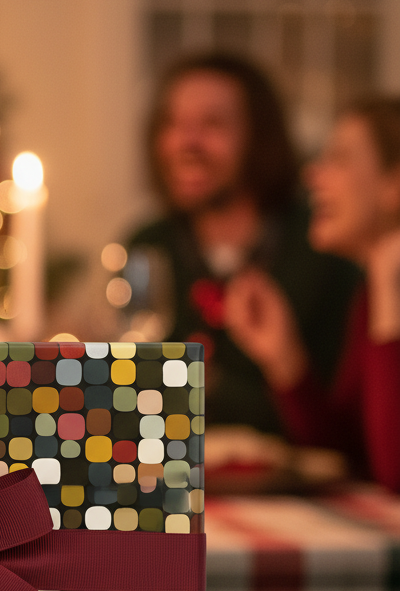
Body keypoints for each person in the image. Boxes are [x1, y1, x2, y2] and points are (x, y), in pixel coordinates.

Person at [124, 52, 360, 434]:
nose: (186, 142)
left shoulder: (323, 251)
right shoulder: (146, 247)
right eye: (172, 123)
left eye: (212, 123)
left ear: (258, 137)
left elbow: (343, 430)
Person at [224, 97, 400, 491]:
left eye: (339, 159)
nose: (313, 175)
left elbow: (395, 475)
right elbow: (346, 452)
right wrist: (283, 356)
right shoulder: (370, 296)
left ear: (395, 184)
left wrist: (390, 284)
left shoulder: (384, 290)